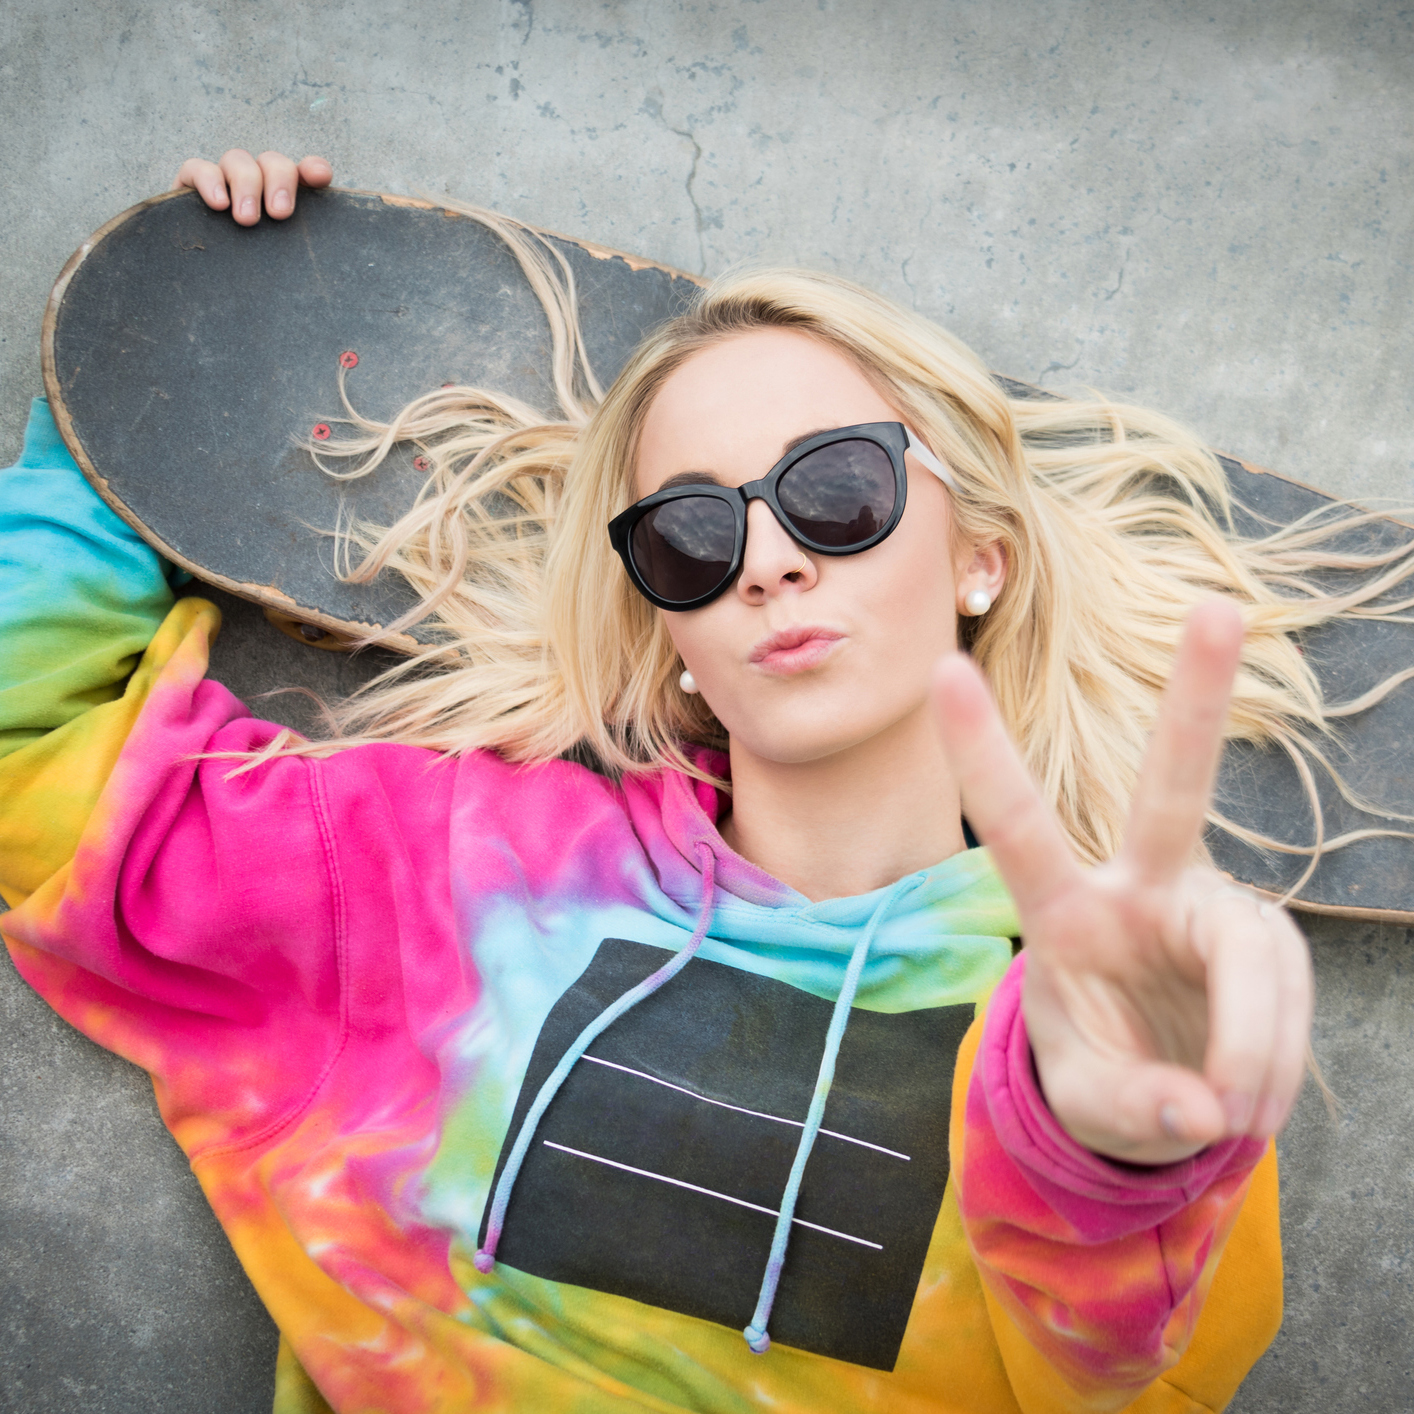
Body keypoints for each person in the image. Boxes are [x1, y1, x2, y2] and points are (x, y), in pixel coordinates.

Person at [10, 145, 1407, 1414]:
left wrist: (1106, 1164)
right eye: (690, 534)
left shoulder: (1095, 1005)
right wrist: (148, 371)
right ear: (666, 625)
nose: (769, 559)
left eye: (837, 490)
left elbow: (1136, 1383)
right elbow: (39, 770)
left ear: (979, 552)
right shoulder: (434, 875)